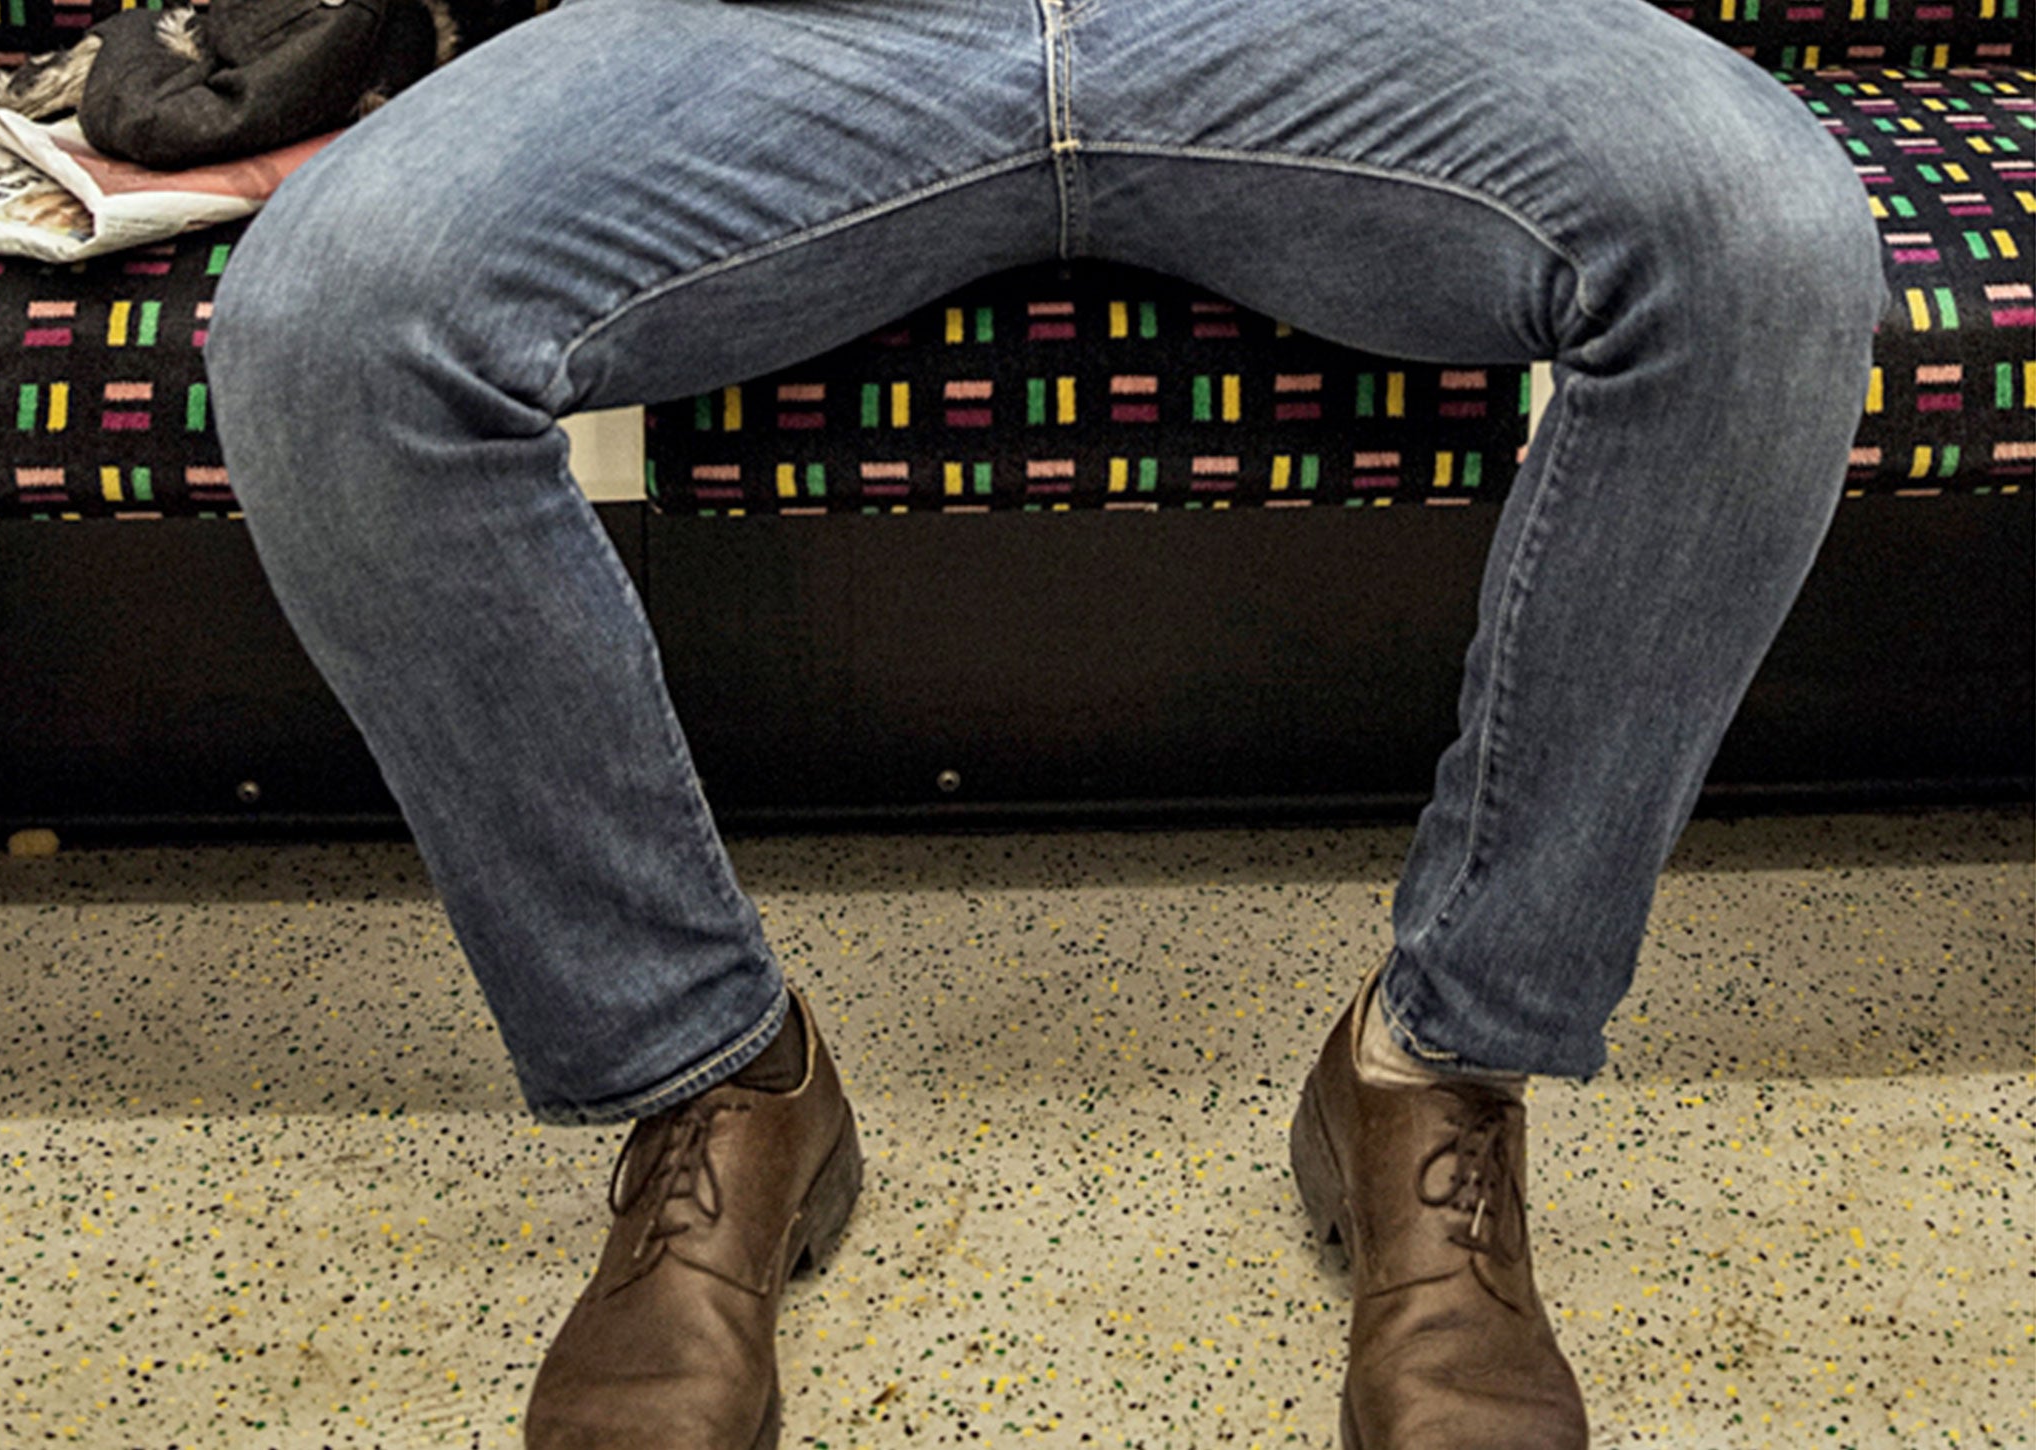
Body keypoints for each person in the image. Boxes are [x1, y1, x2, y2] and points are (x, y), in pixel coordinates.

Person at [200, 0, 1891, 1444]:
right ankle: (710, 1077)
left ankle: (1435, 1063)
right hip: (778, 34)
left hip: (1327, 24)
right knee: (335, 317)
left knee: (1765, 239)